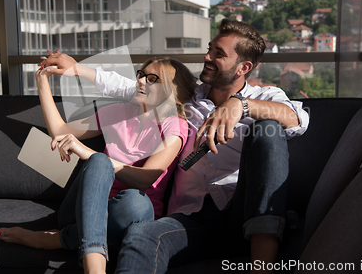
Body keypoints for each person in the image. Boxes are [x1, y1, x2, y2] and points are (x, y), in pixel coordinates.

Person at [39, 19, 310, 273]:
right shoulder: (188, 100)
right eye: (209, 49)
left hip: (240, 210)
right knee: (142, 234)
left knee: (269, 127)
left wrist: (243, 106)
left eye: (219, 53)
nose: (207, 57)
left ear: (243, 68)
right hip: (190, 218)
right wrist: (77, 69)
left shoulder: (264, 96)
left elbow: (298, 118)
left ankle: (262, 266)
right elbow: (133, 88)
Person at [0, 56, 197, 274]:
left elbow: (147, 177)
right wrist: (42, 82)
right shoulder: (117, 112)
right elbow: (60, 131)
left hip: (127, 217)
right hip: (81, 210)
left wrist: (87, 152)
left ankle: (57, 239)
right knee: (100, 161)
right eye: (141, 75)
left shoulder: (175, 125)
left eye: (152, 79)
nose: (140, 81)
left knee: (137, 202)